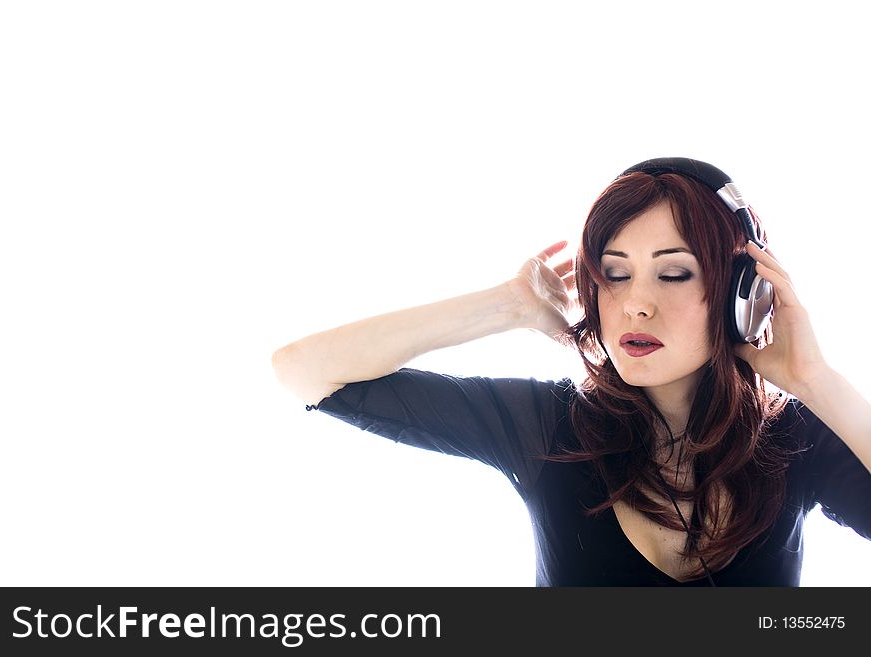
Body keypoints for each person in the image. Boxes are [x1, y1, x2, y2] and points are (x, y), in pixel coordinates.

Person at [271, 157, 871, 586]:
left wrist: (816, 380)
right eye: (614, 273)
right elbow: (305, 370)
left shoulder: (795, 437)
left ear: (746, 297)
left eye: (673, 274)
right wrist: (506, 305)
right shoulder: (547, 426)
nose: (637, 303)